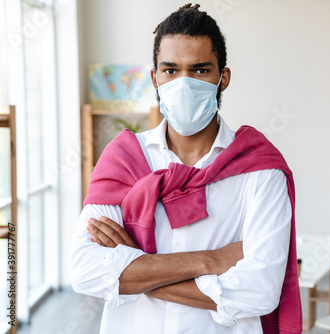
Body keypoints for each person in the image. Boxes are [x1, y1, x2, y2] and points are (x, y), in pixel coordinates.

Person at [71, 3, 301, 333]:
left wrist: (137, 266)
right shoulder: (124, 159)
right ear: (154, 78)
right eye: (170, 70)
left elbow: (261, 292)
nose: (184, 83)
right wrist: (211, 260)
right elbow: (85, 271)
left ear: (223, 78)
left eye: (200, 70)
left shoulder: (260, 170)